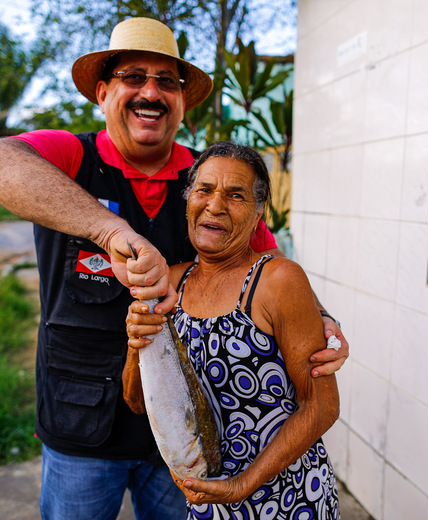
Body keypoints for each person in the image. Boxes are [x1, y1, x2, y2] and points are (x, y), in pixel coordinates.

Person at [0, 17, 348, 520]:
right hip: (79, 426)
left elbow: (270, 262)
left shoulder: (207, 179)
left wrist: (319, 317)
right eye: (133, 77)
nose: (151, 92)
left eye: (167, 82)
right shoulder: (71, 156)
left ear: (182, 101)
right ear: (102, 93)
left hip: (183, 435)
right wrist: (110, 231)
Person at [125, 141, 340, 519]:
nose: (215, 205)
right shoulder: (171, 283)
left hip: (288, 500)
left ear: (259, 212)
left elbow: (322, 405)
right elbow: (140, 403)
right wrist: (134, 343)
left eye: (236, 195)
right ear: (188, 199)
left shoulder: (277, 280)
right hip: (208, 505)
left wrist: (242, 485)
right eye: (204, 190)